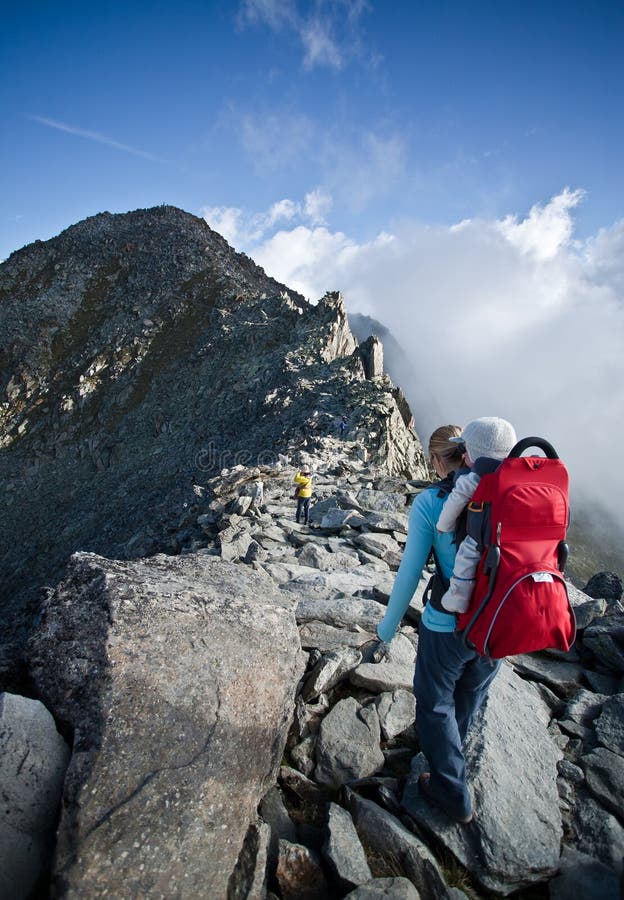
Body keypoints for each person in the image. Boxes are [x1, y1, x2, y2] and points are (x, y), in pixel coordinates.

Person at [376, 423, 509, 824]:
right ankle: (451, 757)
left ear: (437, 460)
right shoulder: (507, 491)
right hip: (497, 624)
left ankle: (450, 790)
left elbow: (410, 572)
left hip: (448, 624)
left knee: (434, 702)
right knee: (468, 697)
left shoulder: (432, 502)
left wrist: (387, 629)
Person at [437, 417, 517, 613]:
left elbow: (452, 508)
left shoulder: (473, 479)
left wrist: (442, 527)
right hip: (516, 542)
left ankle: (458, 597)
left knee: (468, 551)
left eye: (466, 449)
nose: (463, 455)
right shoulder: (518, 476)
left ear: (477, 452)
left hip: (487, 539)